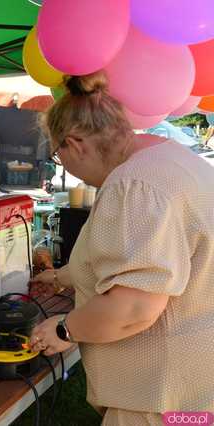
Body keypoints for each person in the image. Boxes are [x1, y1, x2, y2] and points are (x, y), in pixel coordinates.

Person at [28, 72, 214, 424]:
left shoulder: (134, 184)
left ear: (75, 143)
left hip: (158, 398)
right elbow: (147, 258)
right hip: (194, 393)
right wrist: (64, 275)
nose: (63, 165)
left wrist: (65, 330)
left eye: (57, 155)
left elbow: (133, 308)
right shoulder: (171, 160)